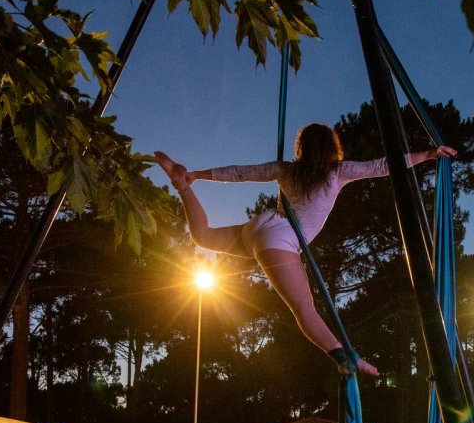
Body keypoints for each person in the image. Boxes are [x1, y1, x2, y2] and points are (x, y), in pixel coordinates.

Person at [154, 129, 456, 375]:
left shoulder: (286, 170)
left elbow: (240, 173)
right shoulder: (338, 171)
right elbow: (383, 165)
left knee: (204, 237)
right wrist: (427, 155)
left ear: (301, 148)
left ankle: (182, 186)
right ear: (332, 148)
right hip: (280, 239)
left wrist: (196, 174)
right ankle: (346, 358)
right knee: (304, 308)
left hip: (261, 227)